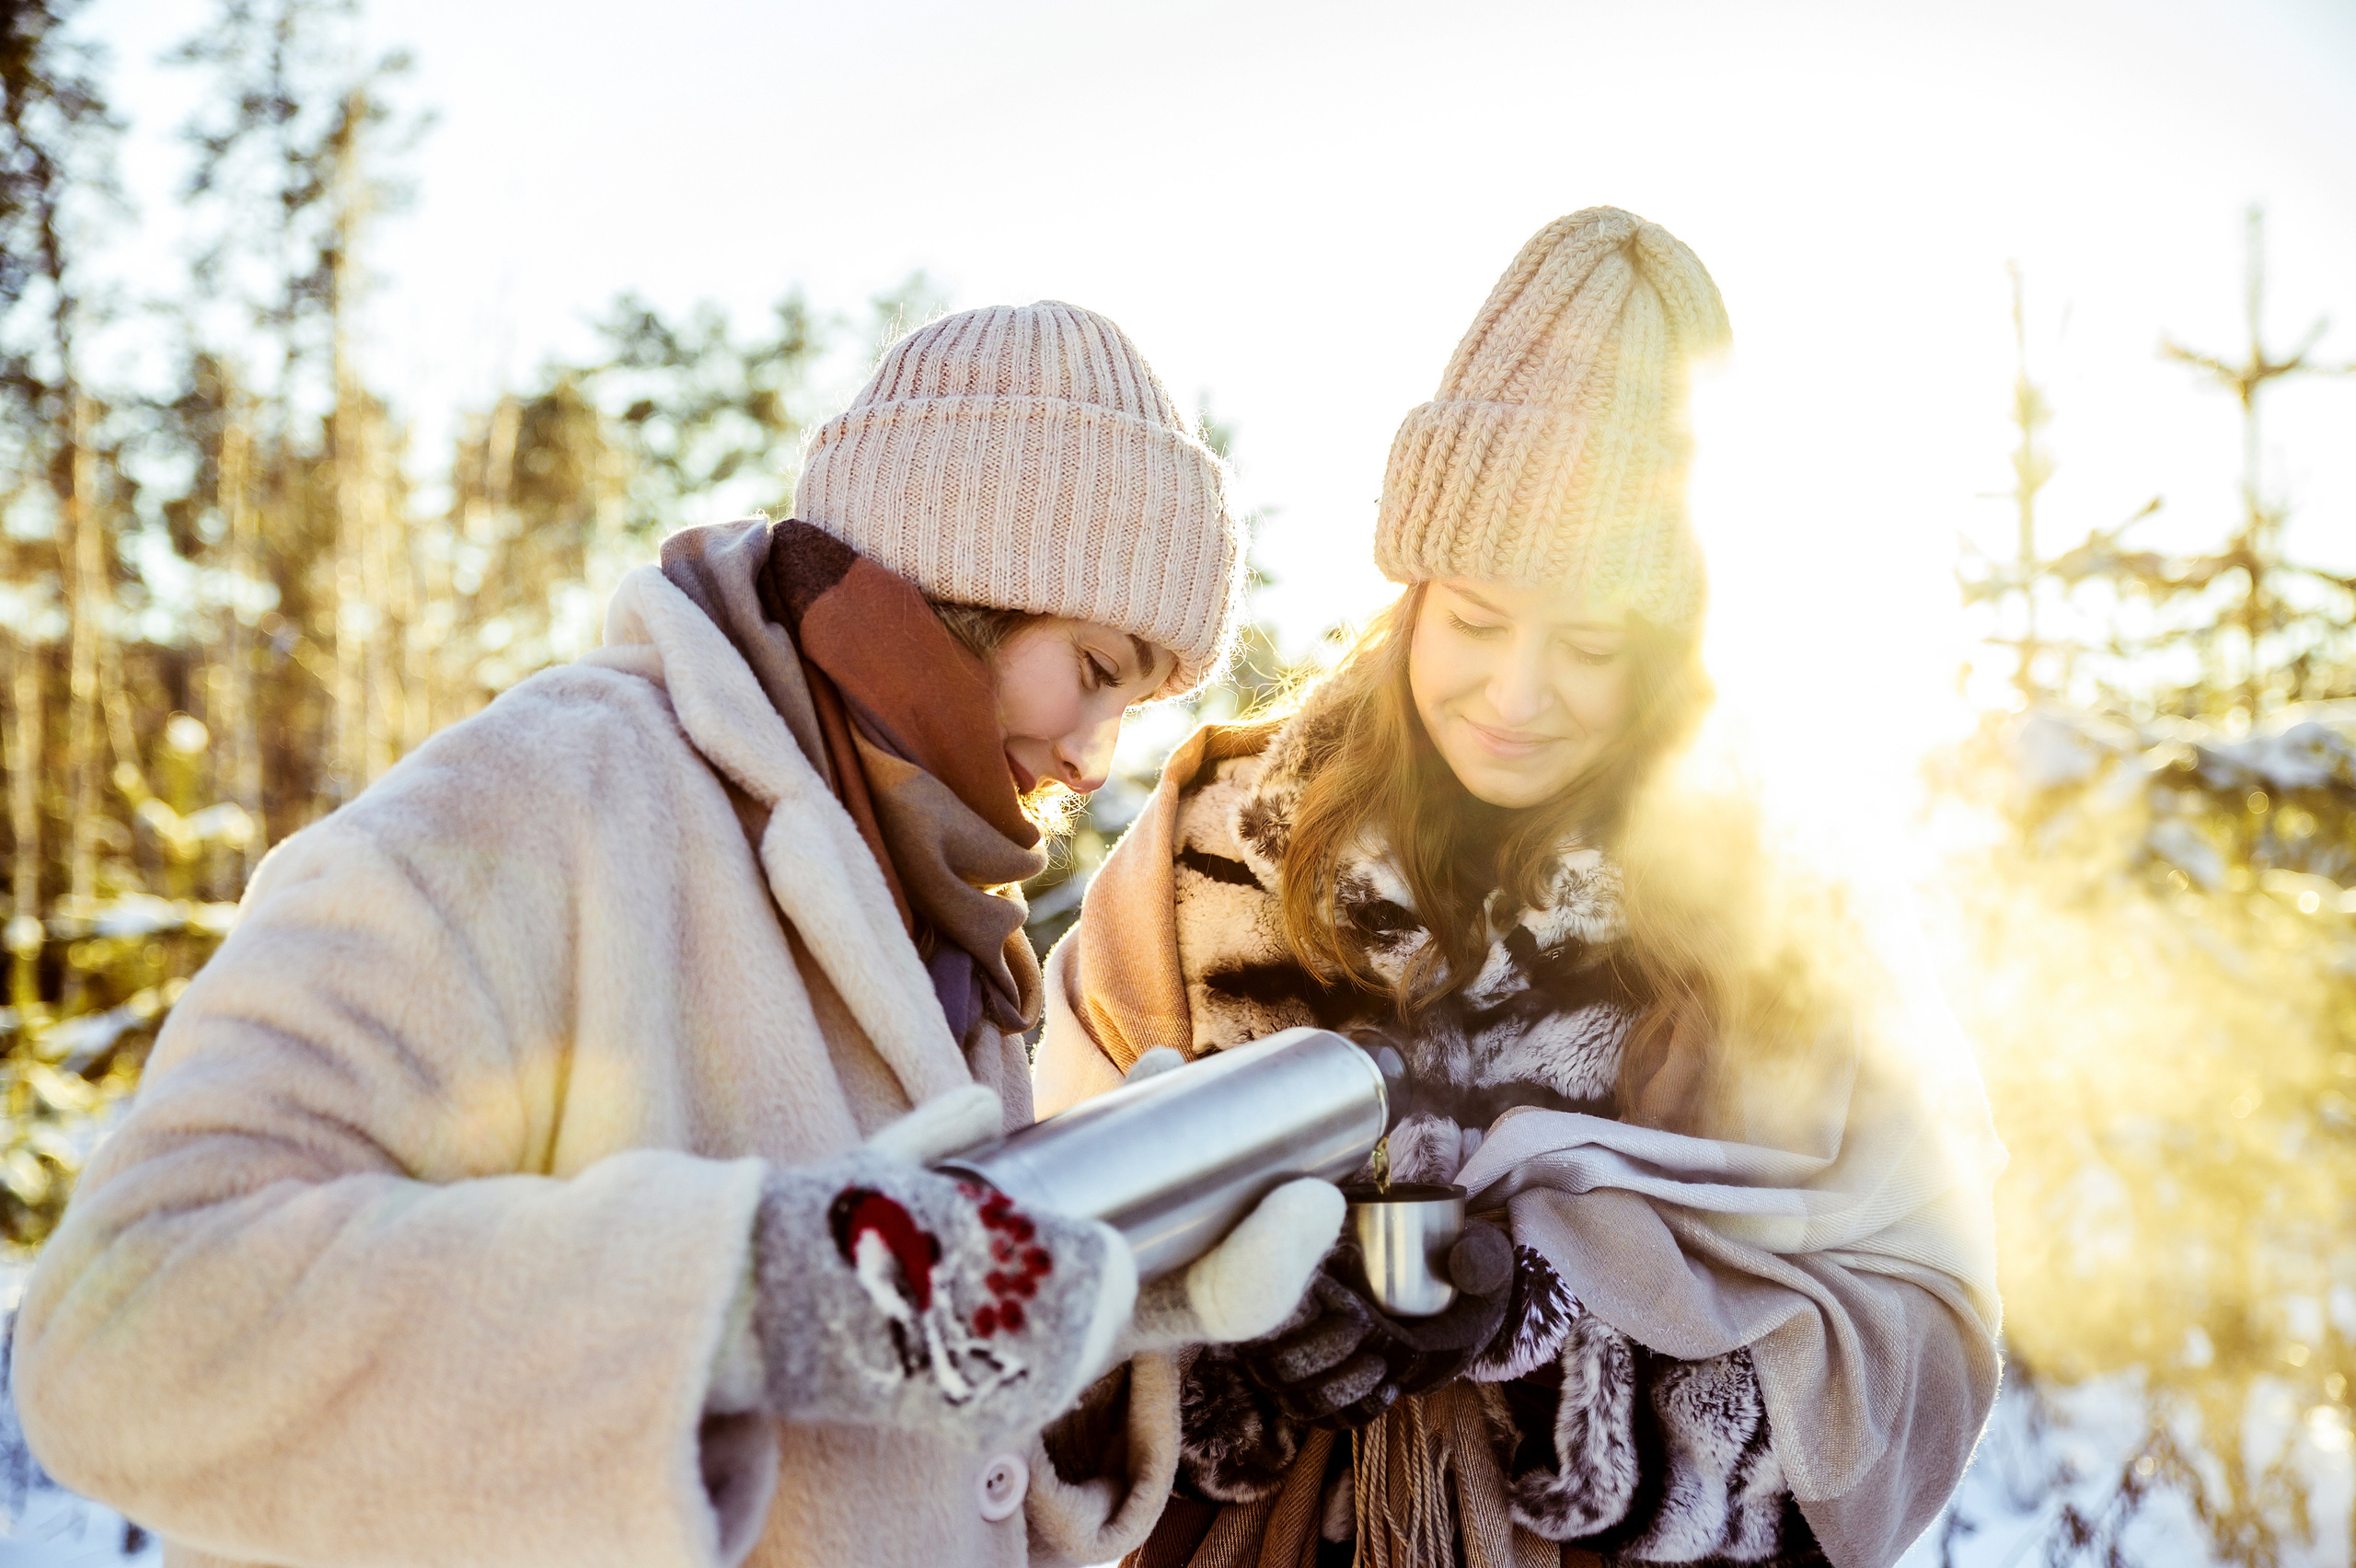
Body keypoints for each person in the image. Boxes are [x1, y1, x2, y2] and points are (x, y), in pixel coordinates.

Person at [9, 301, 1347, 1568]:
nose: (1094, 761)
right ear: (961, 583)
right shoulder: (548, 799)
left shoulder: (942, 927)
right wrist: (758, 1293)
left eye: (1136, 709)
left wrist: (1103, 1320)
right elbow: (129, 1327)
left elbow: (874, 1458)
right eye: (1097, 671)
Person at [1036, 212, 2006, 1568]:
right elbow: (1037, 1276)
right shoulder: (1210, 857)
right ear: (1412, 599)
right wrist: (1234, 1350)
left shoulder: (1783, 917)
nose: (1517, 692)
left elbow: (1915, 1349)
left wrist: (1563, 1338)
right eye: (1477, 621)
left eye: (1591, 646)